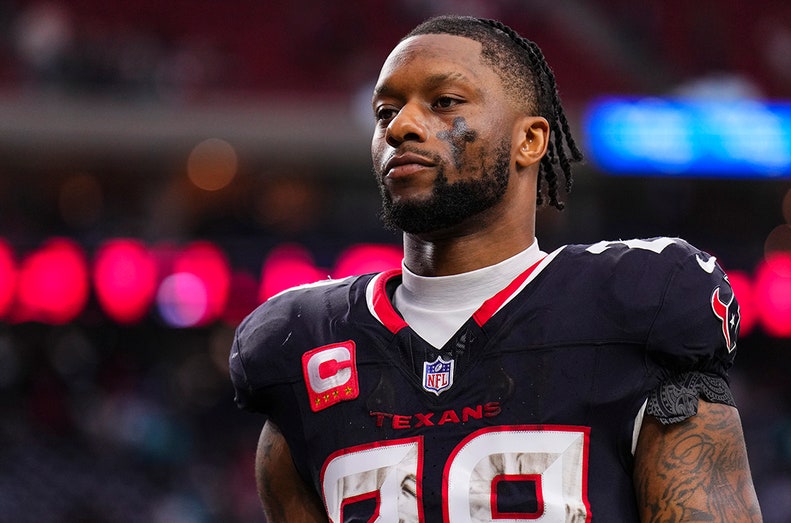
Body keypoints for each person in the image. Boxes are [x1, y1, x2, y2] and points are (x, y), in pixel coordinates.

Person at [230, 15, 762, 522]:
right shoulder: (301, 345)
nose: (401, 127)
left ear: (529, 141)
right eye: (386, 111)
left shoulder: (634, 306)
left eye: (444, 102)